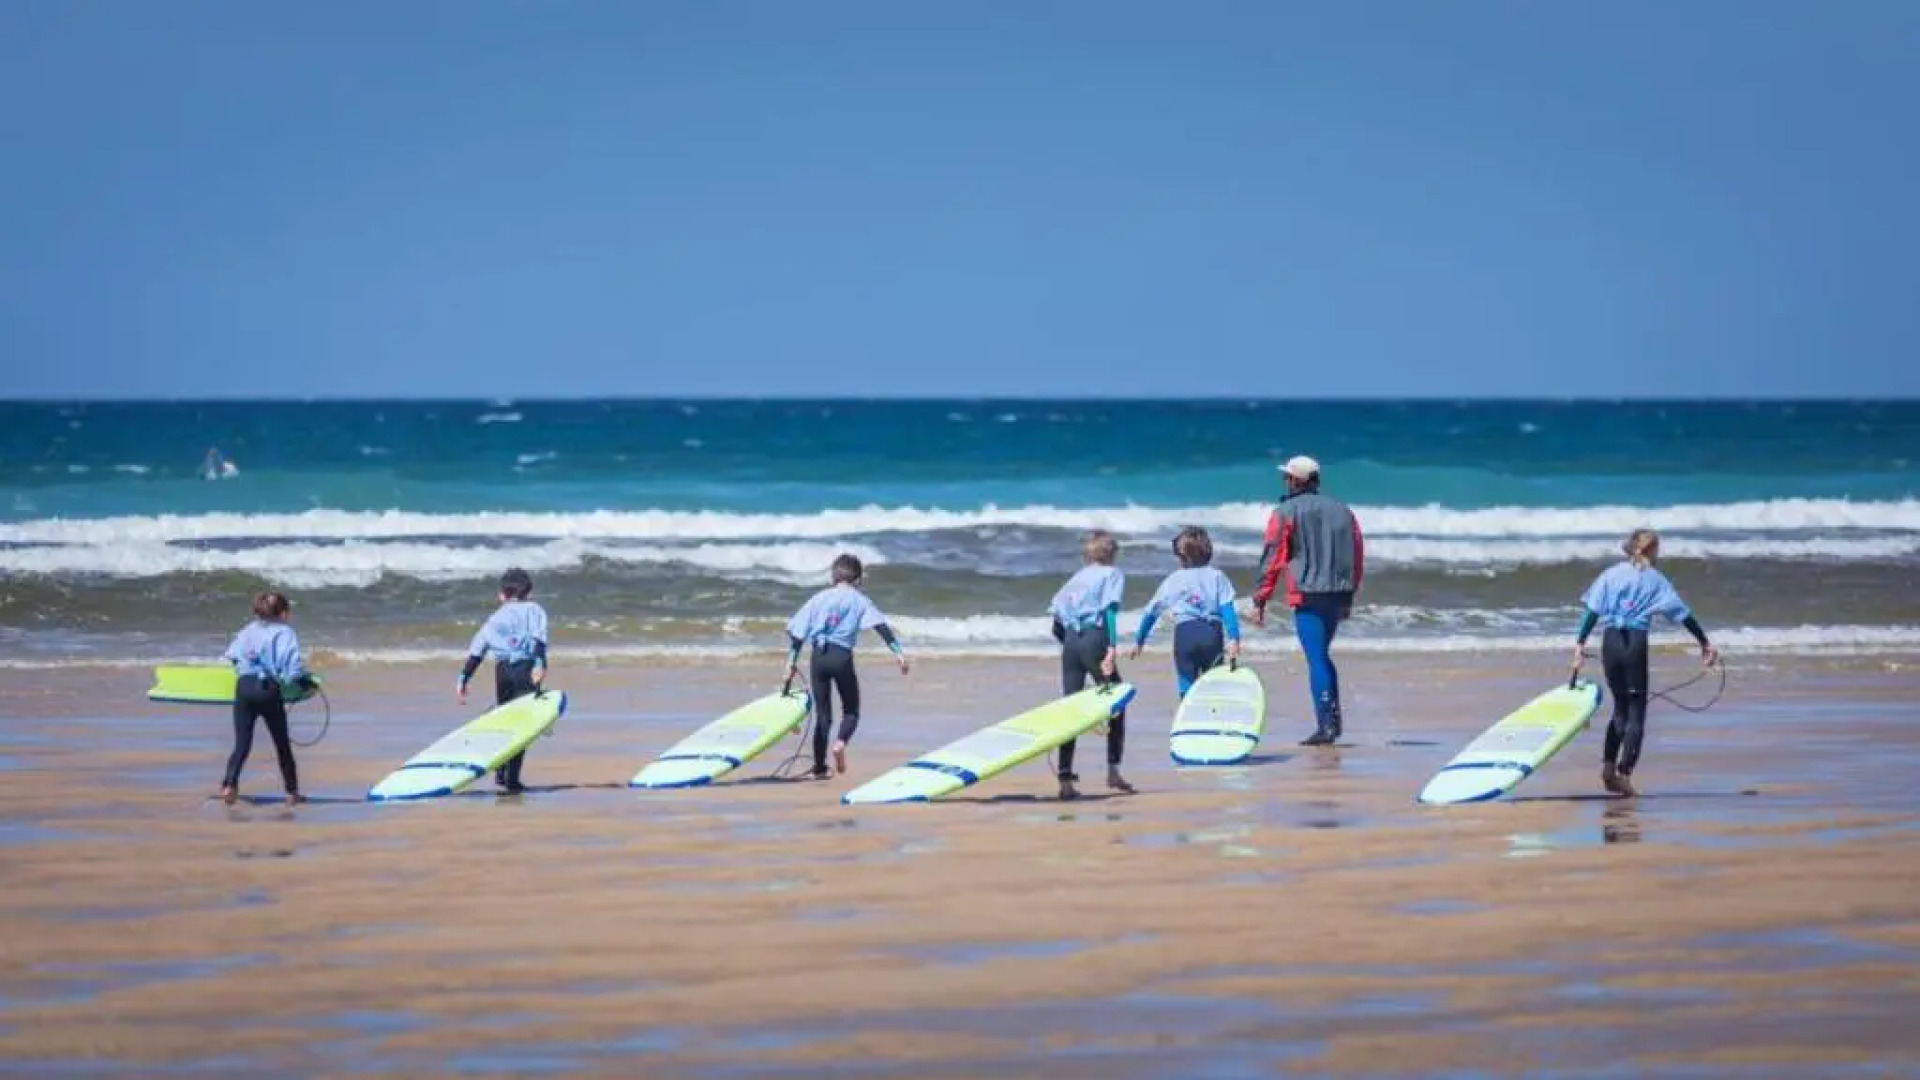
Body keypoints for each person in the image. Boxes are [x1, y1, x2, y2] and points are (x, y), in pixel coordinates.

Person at [1571, 529, 1718, 797]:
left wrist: (1580, 645)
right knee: (1636, 712)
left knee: (1620, 709)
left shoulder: (1611, 574)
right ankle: (1623, 775)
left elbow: (1591, 612)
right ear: (1651, 550)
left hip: (1611, 641)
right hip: (1634, 643)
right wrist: (1704, 643)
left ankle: (1607, 768)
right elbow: (1683, 615)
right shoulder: (1656, 580)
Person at [1252, 455, 1364, 746]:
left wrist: (1260, 598)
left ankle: (1327, 725)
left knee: (1316, 657)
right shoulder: (1343, 510)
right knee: (1322, 655)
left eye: (1286, 477)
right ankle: (1332, 721)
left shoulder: (1285, 511)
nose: (1284, 482)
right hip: (1338, 591)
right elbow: (1356, 555)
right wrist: (1350, 593)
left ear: (1295, 480)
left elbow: (1273, 557)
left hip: (1308, 593)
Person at [786, 553, 909, 778]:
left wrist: (791, 662)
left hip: (819, 658)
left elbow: (798, 631)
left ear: (833, 576)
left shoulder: (818, 598)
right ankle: (841, 743)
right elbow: (881, 627)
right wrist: (899, 654)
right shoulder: (860, 600)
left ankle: (820, 769)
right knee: (851, 711)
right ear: (858, 579)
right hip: (841, 657)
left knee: (823, 717)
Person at [1047, 530, 1131, 800]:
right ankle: (1113, 771)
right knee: (1117, 701)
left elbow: (1056, 622)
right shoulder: (1112, 574)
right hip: (1094, 639)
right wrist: (1111, 649)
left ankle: (1065, 779)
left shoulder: (1076, 579)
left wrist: (1072, 645)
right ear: (1111, 553)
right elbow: (1109, 611)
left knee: (1069, 710)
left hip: (1071, 642)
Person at [457, 567, 549, 794]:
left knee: (507, 718)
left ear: (502, 595)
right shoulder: (535, 610)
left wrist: (463, 678)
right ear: (529, 592)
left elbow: (478, 651)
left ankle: (500, 771)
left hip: (502, 671)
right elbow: (539, 640)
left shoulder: (494, 618)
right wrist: (539, 664)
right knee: (523, 725)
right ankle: (512, 780)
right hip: (525, 668)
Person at [220, 591, 315, 806]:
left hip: (244, 688)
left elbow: (232, 657)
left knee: (242, 744)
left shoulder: (247, 631)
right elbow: (292, 669)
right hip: (268, 691)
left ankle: (229, 785)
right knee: (282, 745)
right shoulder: (285, 633)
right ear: (283, 613)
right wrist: (305, 685)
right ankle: (292, 793)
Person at [1129, 526, 1242, 697]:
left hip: (1184, 636)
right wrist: (1234, 638)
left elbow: (1152, 612)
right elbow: (1227, 609)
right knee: (1212, 683)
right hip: (1211, 635)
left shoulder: (1173, 579)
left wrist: (1139, 640)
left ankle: (1187, 715)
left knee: (1186, 682)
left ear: (1181, 556)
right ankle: (1211, 718)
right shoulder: (1217, 576)